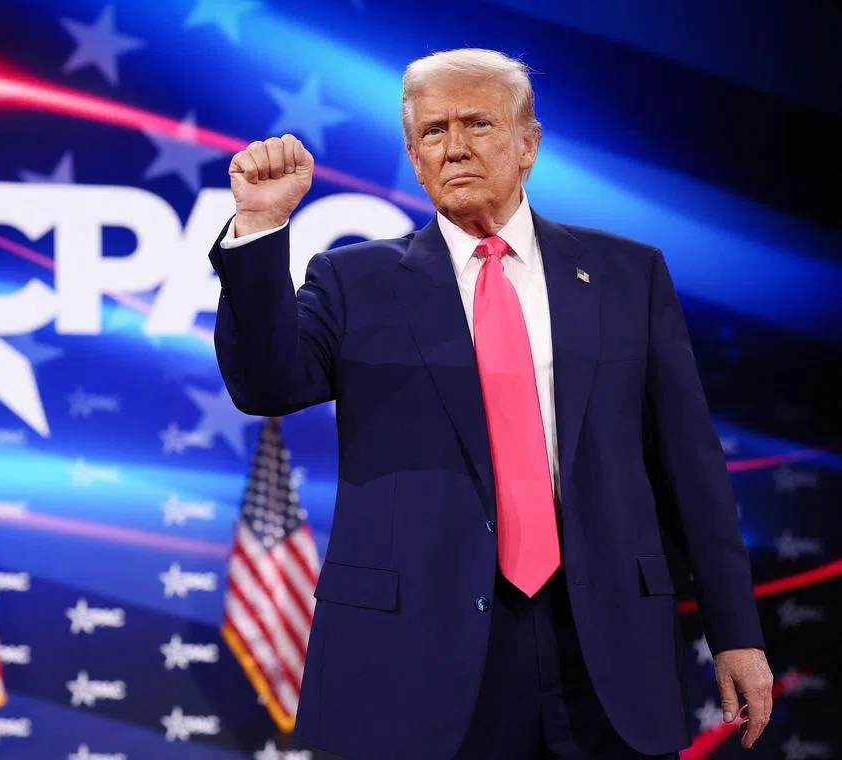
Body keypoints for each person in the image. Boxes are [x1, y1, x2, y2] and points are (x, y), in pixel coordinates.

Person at [208, 49, 773, 760]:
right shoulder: (355, 281)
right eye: (434, 132)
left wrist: (737, 631)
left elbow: (692, 470)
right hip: (420, 650)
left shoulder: (631, 275)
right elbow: (265, 384)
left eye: (478, 123)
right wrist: (261, 229)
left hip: (605, 645)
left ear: (528, 144)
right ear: (414, 158)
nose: (456, 147)